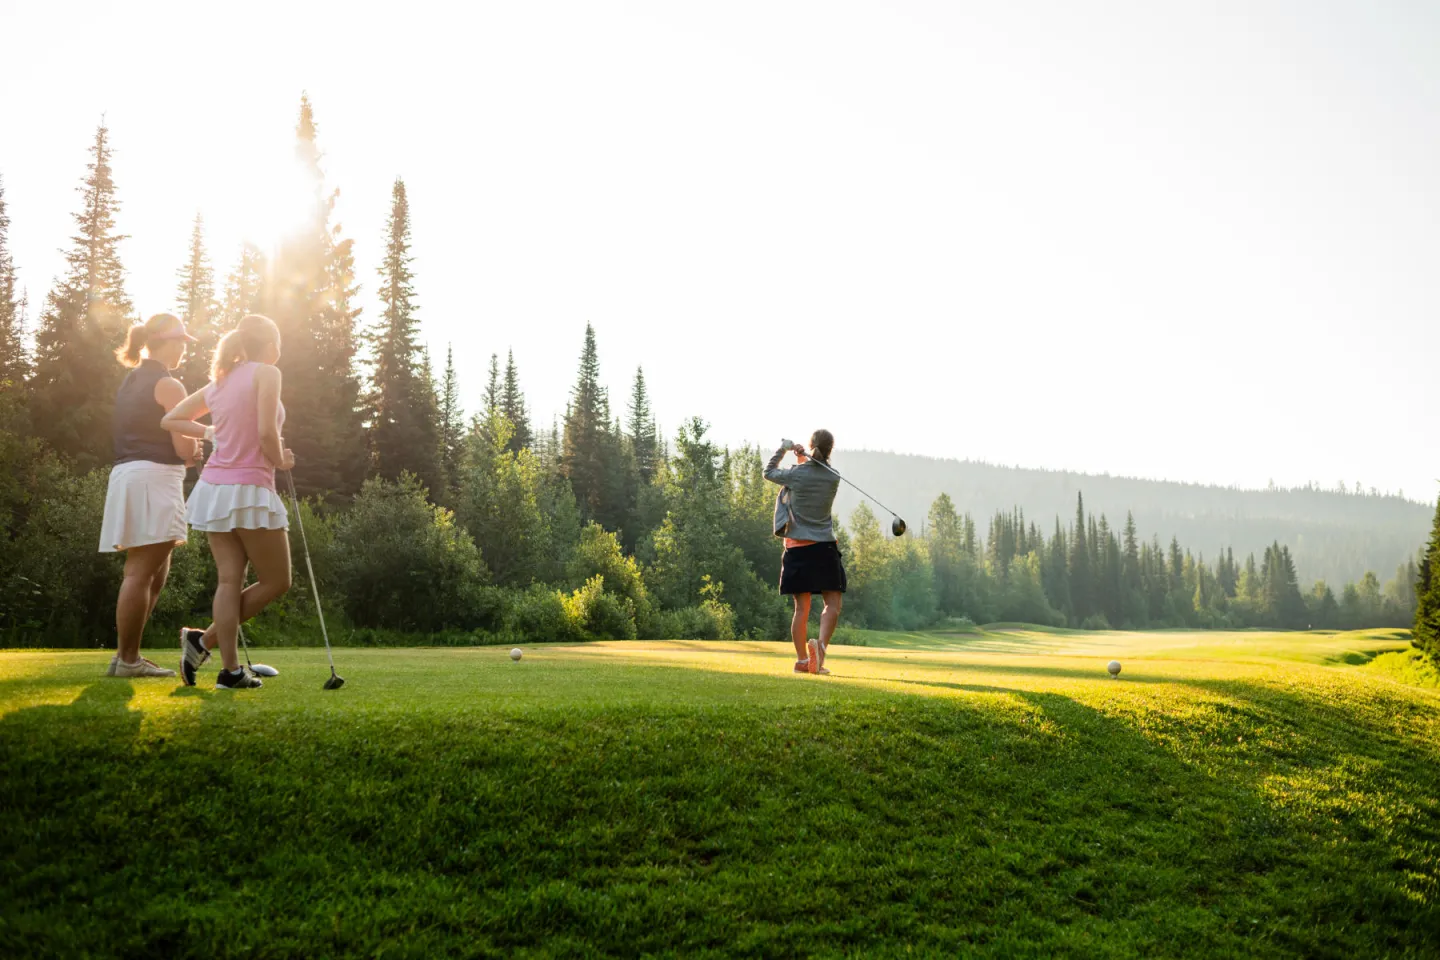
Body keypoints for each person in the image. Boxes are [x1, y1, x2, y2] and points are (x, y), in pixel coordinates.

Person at [161, 314, 293, 690]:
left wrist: (211, 432)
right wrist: (281, 459)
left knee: (229, 580)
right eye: (278, 343)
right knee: (277, 580)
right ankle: (203, 642)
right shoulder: (267, 373)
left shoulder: (220, 380)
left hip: (214, 489)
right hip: (249, 487)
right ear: (269, 345)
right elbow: (268, 431)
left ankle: (229, 671)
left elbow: (171, 419)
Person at [99, 313, 203, 678]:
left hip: (128, 474)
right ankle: (128, 660)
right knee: (141, 571)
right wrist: (196, 449)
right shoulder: (169, 384)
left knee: (155, 572)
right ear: (166, 342)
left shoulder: (131, 380)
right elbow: (183, 448)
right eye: (181, 343)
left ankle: (125, 657)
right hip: (155, 476)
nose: (184, 350)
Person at [765, 429, 846, 675]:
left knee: (802, 608)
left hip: (797, 548)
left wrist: (785, 448)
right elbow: (815, 473)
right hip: (823, 547)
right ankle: (820, 649)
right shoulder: (834, 477)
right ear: (830, 449)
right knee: (832, 603)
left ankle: (803, 660)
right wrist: (804, 458)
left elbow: (769, 472)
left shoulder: (798, 474)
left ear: (811, 446)